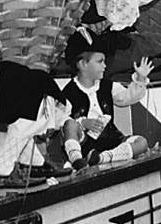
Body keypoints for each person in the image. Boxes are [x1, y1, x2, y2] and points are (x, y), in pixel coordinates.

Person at [59, 31, 151, 171]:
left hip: (112, 142)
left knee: (141, 142)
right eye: (100, 61)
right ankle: (77, 160)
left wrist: (140, 79)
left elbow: (127, 97)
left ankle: (102, 158)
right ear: (83, 64)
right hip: (84, 143)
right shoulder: (68, 92)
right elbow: (60, 120)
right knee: (70, 125)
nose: (105, 66)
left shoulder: (108, 86)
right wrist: (83, 123)